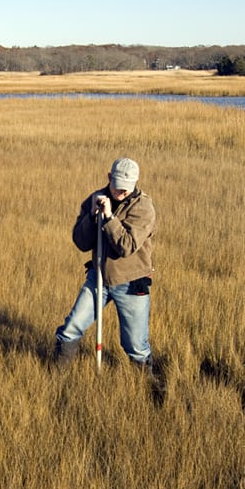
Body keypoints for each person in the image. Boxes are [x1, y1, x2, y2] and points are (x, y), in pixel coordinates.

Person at [53, 157, 156, 370]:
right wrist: (92, 216)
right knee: (70, 329)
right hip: (98, 276)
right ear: (109, 177)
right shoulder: (95, 199)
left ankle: (150, 385)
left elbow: (127, 246)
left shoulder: (144, 208)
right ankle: (55, 377)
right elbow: (81, 242)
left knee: (135, 345)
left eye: (126, 189)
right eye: (118, 186)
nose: (121, 192)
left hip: (131, 282)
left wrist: (109, 218)